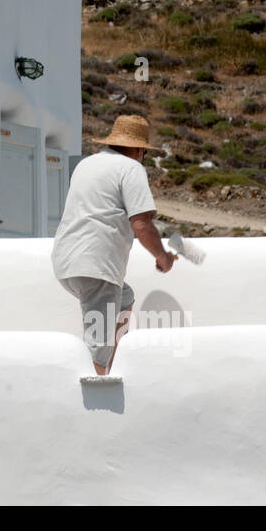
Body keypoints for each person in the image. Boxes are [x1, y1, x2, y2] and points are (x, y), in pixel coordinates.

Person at [51, 114, 175, 376]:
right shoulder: (131, 169)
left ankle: (115, 368)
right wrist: (162, 256)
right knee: (98, 345)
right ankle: (96, 392)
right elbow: (141, 225)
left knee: (125, 298)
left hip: (66, 261)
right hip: (97, 266)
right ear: (139, 149)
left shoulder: (87, 164)